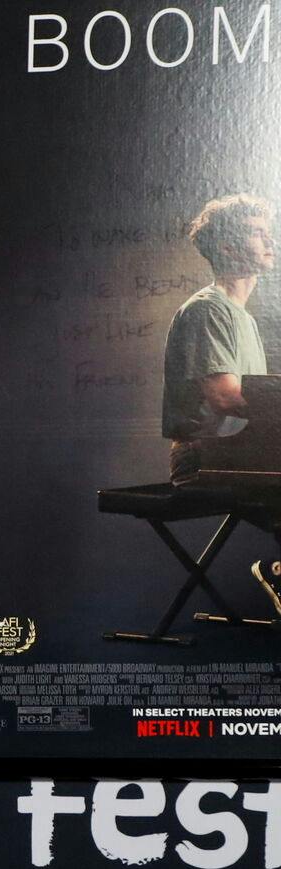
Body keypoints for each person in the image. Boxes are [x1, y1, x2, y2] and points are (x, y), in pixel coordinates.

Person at [159, 193, 281, 616]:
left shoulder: (241, 316)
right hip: (201, 459)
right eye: (257, 234)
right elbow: (225, 397)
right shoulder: (208, 310)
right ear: (228, 247)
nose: (270, 242)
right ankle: (276, 570)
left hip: (239, 453)